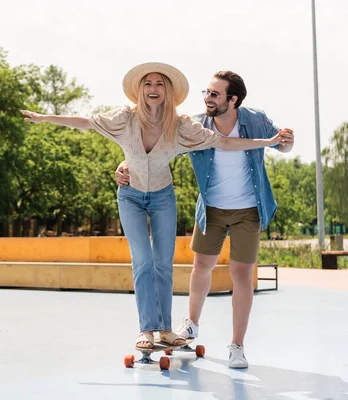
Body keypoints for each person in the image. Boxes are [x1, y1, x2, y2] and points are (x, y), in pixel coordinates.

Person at [21, 62, 284, 352]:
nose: (153, 89)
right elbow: (85, 121)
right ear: (140, 91)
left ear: (168, 91)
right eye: (148, 84)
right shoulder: (124, 119)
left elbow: (223, 143)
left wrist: (269, 142)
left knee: (163, 263)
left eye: (160, 84)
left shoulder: (182, 126)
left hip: (163, 197)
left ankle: (166, 329)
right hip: (130, 196)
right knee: (143, 260)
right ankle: (147, 329)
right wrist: (44, 118)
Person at [115, 70, 294, 368]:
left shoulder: (255, 120)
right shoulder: (195, 124)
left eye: (214, 94)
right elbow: (154, 150)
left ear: (233, 99)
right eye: (206, 93)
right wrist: (124, 164)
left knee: (241, 275)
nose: (207, 99)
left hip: (248, 209)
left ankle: (237, 346)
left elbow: (280, 145)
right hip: (210, 208)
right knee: (202, 267)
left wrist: (286, 141)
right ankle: (192, 325)